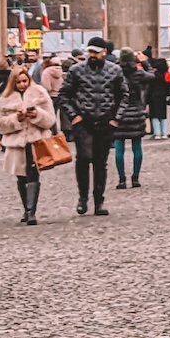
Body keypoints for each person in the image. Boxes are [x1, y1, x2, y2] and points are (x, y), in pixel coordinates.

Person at [60, 37, 126, 216]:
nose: (92, 55)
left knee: (100, 163)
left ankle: (99, 200)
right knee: (83, 158)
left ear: (104, 52)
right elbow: (64, 94)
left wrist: (116, 119)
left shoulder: (115, 71)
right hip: (84, 122)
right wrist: (74, 116)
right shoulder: (76, 70)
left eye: (96, 52)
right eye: (90, 51)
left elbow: (123, 96)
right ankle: (83, 197)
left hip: (105, 122)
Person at [0, 63, 57, 225]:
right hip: (16, 143)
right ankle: (25, 208)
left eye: (25, 81)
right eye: (19, 82)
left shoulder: (40, 94)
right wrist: (17, 119)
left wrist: (37, 114)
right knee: (21, 177)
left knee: (33, 173)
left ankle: (31, 211)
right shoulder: (5, 100)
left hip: (36, 141)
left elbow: (50, 119)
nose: (22, 85)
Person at [113, 49, 149, 189]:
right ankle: (135, 178)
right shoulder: (138, 73)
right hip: (136, 112)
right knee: (137, 146)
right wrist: (145, 62)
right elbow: (152, 75)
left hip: (119, 113)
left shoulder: (115, 72)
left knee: (119, 148)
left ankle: (122, 179)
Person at [147, 55, 170, 139]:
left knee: (154, 114)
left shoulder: (153, 74)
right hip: (163, 95)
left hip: (154, 95)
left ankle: (157, 133)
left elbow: (149, 86)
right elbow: (169, 85)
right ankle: (164, 133)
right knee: (163, 115)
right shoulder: (167, 74)